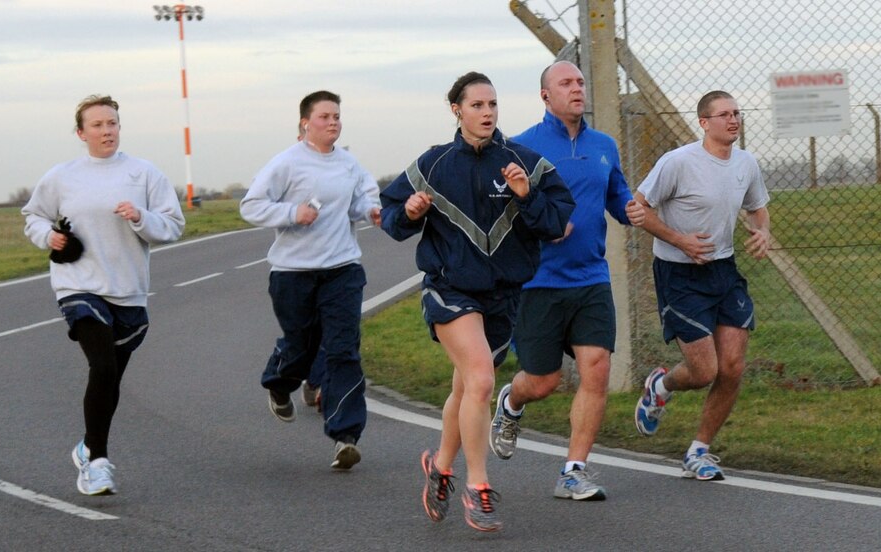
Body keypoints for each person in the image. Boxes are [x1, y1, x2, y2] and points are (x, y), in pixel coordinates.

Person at [380, 71, 574, 532]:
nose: (487, 113)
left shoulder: (526, 163)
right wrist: (407, 213)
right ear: (457, 111)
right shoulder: (433, 164)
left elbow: (557, 223)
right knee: (483, 380)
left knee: (467, 388)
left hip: (505, 296)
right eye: (477, 105)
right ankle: (478, 488)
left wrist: (526, 196)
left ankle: (441, 469)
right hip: (451, 290)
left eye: (493, 105)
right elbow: (390, 214)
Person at [488, 60, 645, 501]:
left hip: (591, 278)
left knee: (596, 368)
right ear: (545, 96)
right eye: (566, 83)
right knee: (543, 381)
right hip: (538, 282)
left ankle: (574, 471)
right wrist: (543, 225)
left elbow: (617, 196)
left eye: (580, 81)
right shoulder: (521, 148)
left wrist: (630, 208)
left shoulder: (604, 145)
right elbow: (502, 215)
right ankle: (511, 403)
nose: (577, 88)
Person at [22, 94, 185, 495]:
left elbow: (173, 225)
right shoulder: (62, 176)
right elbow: (34, 215)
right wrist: (50, 236)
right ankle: (97, 463)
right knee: (104, 367)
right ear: (81, 133)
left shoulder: (144, 173)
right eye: (97, 125)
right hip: (78, 284)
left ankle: (87, 445)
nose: (106, 130)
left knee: (110, 381)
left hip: (128, 291)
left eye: (111, 123)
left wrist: (141, 217)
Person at [632, 90, 771, 481]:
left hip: (724, 272)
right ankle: (661, 385)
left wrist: (763, 233)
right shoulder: (678, 162)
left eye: (737, 113)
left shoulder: (747, 163)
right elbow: (638, 207)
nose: (734, 120)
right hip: (680, 275)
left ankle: (699, 451)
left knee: (732, 366)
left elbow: (758, 207)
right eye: (724, 114)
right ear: (704, 123)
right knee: (704, 370)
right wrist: (680, 240)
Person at [240, 90, 381, 471]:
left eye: (337, 116)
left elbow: (360, 201)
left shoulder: (349, 164)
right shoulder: (286, 163)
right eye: (325, 117)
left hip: (342, 269)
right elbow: (250, 205)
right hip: (293, 273)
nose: (333, 122)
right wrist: (291, 213)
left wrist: (372, 210)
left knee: (342, 350)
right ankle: (278, 382)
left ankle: (345, 436)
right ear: (305, 123)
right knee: (301, 347)